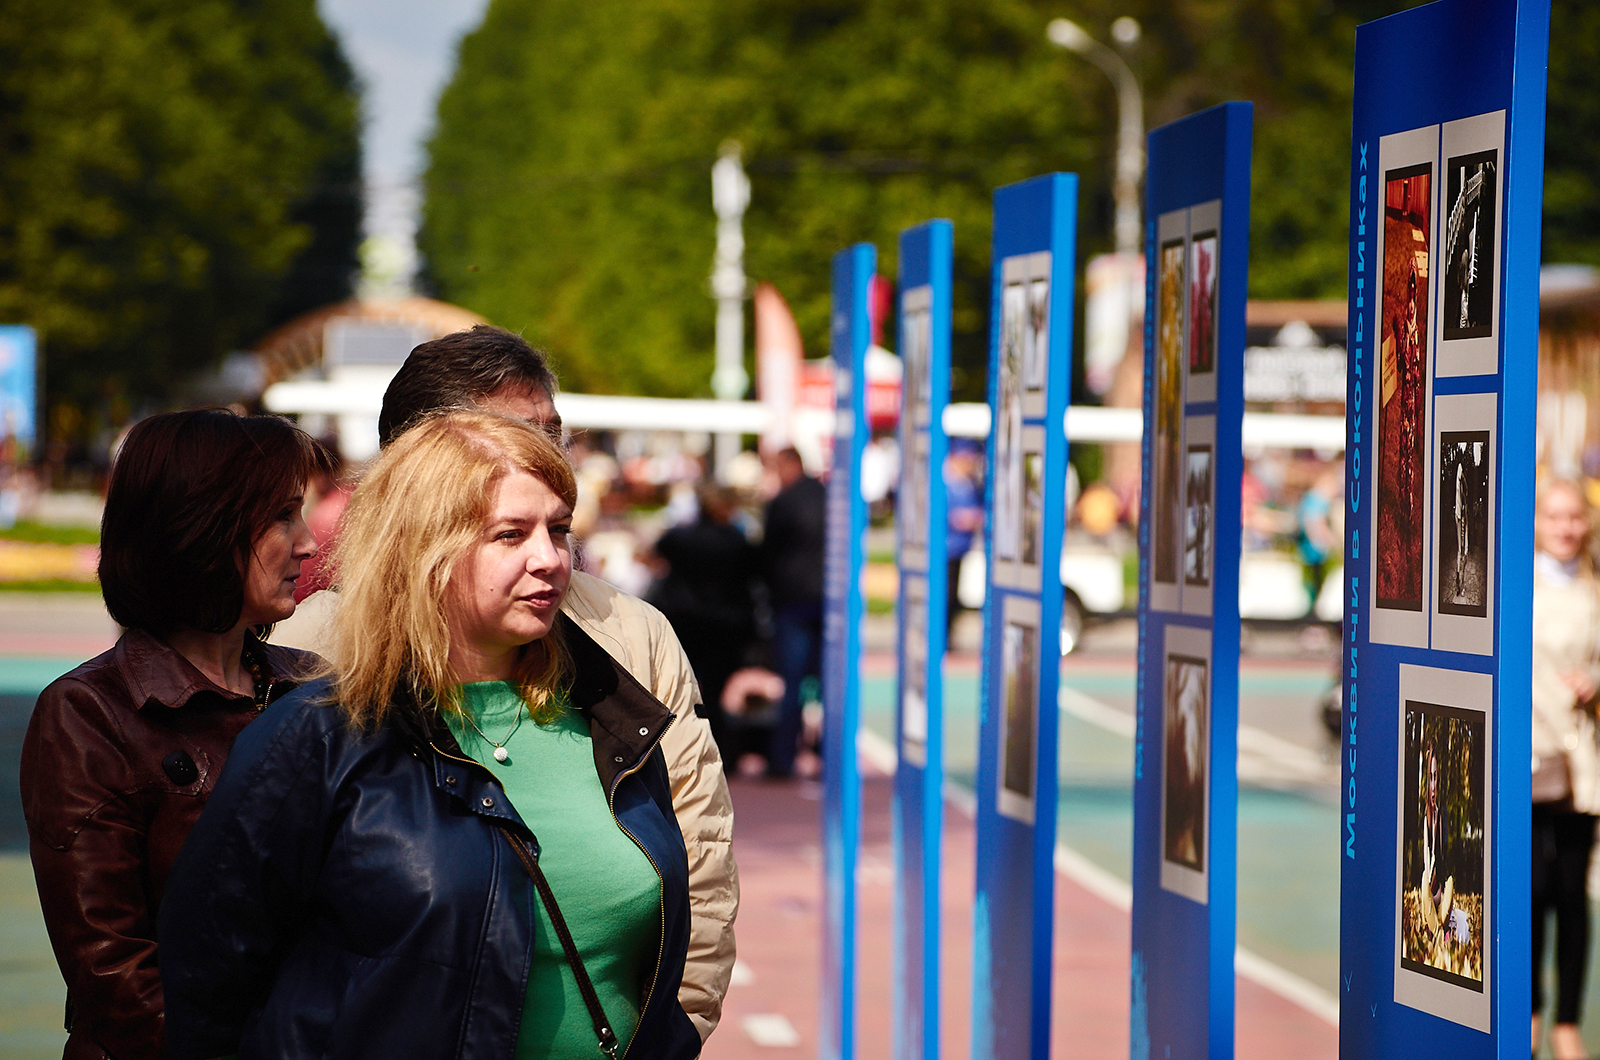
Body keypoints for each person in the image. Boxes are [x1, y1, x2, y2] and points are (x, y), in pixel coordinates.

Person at [159, 412, 704, 1060]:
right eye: (510, 534)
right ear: (424, 551)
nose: (550, 558)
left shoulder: (614, 718)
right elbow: (205, 983)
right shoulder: (315, 738)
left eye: (558, 529)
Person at [272, 324, 735, 1040]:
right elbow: (243, 929)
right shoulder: (317, 650)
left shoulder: (630, 636)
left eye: (556, 434)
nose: (545, 461)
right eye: (515, 436)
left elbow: (701, 861)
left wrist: (678, 1034)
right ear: (416, 472)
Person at [20, 409, 327, 1060]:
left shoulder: (317, 688)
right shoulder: (91, 714)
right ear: (205, 527)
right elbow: (115, 976)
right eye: (282, 516)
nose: (308, 543)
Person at [1531, 477, 1600, 1060]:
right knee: (1528, 890)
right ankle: (1527, 1013)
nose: (1564, 527)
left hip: (1579, 761)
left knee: (1573, 897)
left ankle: (1568, 1024)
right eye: (1554, 516)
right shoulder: (1512, 586)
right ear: (1536, 521)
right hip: (1525, 759)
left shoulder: (1596, 591)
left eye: (1573, 517)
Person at [649, 481, 759, 759]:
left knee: (683, 684)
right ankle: (718, 747)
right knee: (716, 689)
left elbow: (657, 553)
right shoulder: (736, 541)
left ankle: (682, 746)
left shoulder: (680, 538)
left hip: (686, 621)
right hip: (723, 625)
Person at [760, 446, 825, 778]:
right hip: (828, 600)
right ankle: (828, 754)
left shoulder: (782, 503)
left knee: (792, 680)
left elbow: (766, 553)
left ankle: (783, 757)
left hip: (793, 600)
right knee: (828, 681)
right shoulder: (827, 496)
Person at [944, 440, 985, 638]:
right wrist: (966, 518)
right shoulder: (946, 482)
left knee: (954, 597)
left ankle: (948, 635)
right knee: (945, 595)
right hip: (947, 548)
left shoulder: (969, 483)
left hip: (961, 548)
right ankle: (942, 636)